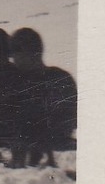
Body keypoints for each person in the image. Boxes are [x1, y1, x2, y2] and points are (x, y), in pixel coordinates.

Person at [7, 27, 78, 166]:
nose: (13, 60)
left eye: (15, 53)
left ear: (28, 53)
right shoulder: (61, 76)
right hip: (53, 141)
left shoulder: (28, 82)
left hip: (47, 143)